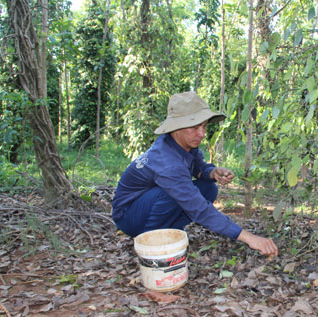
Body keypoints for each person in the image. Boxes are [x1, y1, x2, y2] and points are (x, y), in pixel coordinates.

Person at [111, 91, 278, 257]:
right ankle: (152, 240)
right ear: (176, 128)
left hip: (149, 202)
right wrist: (249, 238)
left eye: (204, 126)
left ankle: (171, 230)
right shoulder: (167, 161)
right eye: (194, 127)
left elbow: (198, 168)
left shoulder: (182, 144)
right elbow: (199, 208)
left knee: (208, 188)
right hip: (129, 216)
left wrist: (212, 172)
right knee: (175, 194)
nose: (202, 134)